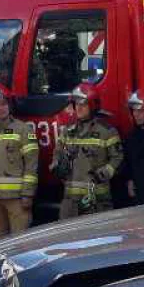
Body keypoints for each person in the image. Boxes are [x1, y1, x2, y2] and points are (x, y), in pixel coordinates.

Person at [0, 83, 39, 237]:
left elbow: (32, 166)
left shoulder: (23, 130)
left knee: (20, 244)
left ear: (10, 105)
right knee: (0, 244)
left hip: (16, 200)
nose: (1, 108)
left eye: (4, 103)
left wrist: (28, 195)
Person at [53, 82, 122, 219]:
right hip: (70, 201)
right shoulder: (67, 131)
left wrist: (103, 173)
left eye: (83, 104)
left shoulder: (107, 131)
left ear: (93, 105)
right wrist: (57, 166)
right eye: (76, 104)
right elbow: (57, 155)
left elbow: (118, 158)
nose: (78, 107)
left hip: (97, 200)